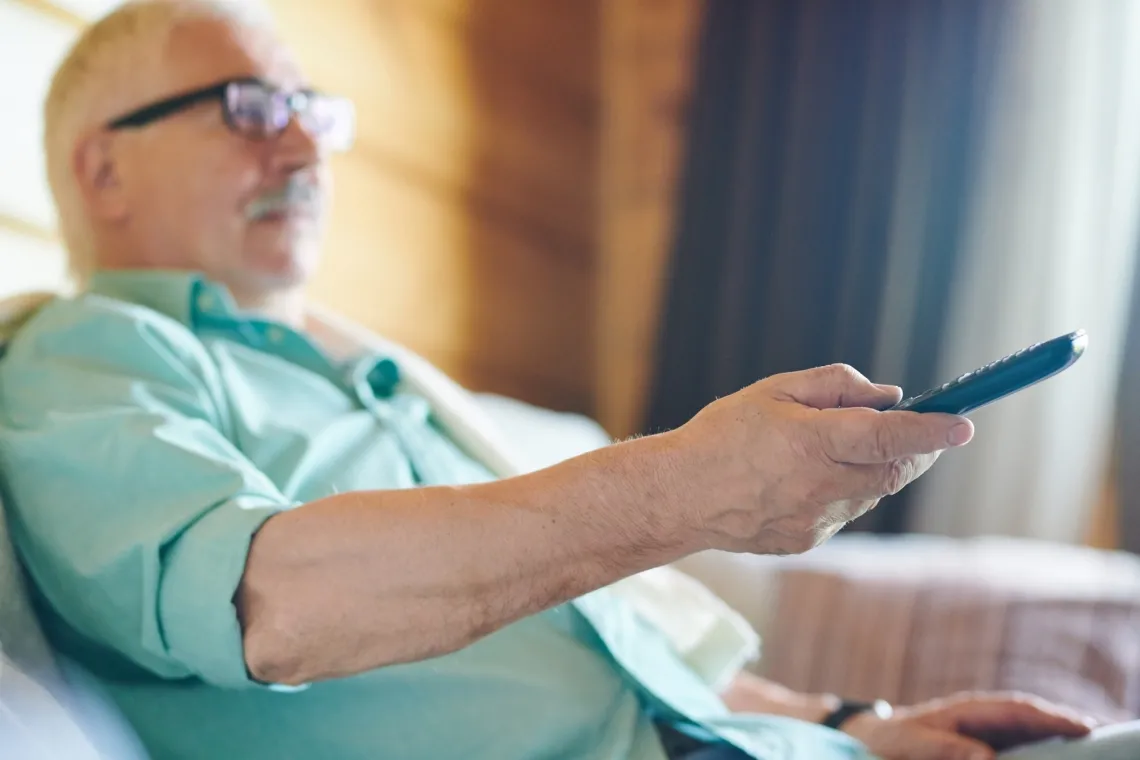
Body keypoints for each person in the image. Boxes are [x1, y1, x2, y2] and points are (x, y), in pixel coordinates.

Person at [0, 1, 1135, 758]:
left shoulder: (373, 379)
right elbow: (268, 606)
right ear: (102, 166)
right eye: (254, 110)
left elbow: (592, 651)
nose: (302, 151)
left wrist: (854, 720)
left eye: (312, 115)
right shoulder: (87, 355)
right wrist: (681, 488)